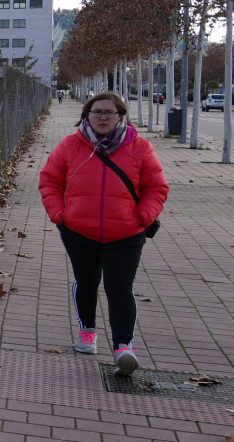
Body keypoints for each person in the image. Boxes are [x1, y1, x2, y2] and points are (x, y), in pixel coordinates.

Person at [38, 91, 169, 375]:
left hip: (126, 233)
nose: (103, 117)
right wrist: (60, 215)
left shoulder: (140, 148)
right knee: (86, 283)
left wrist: (142, 217)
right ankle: (87, 332)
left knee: (119, 288)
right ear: (86, 115)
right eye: (96, 112)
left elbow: (156, 188)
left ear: (121, 116)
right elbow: (49, 181)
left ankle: (124, 348)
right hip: (78, 231)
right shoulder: (70, 146)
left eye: (109, 112)